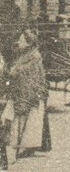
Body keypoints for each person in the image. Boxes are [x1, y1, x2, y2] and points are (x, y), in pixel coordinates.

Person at [6, 31, 49, 162]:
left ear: (29, 43)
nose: (19, 43)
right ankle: (22, 144)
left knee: (31, 120)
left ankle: (28, 146)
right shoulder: (25, 54)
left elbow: (29, 73)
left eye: (22, 41)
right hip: (26, 91)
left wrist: (15, 71)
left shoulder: (34, 56)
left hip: (33, 92)